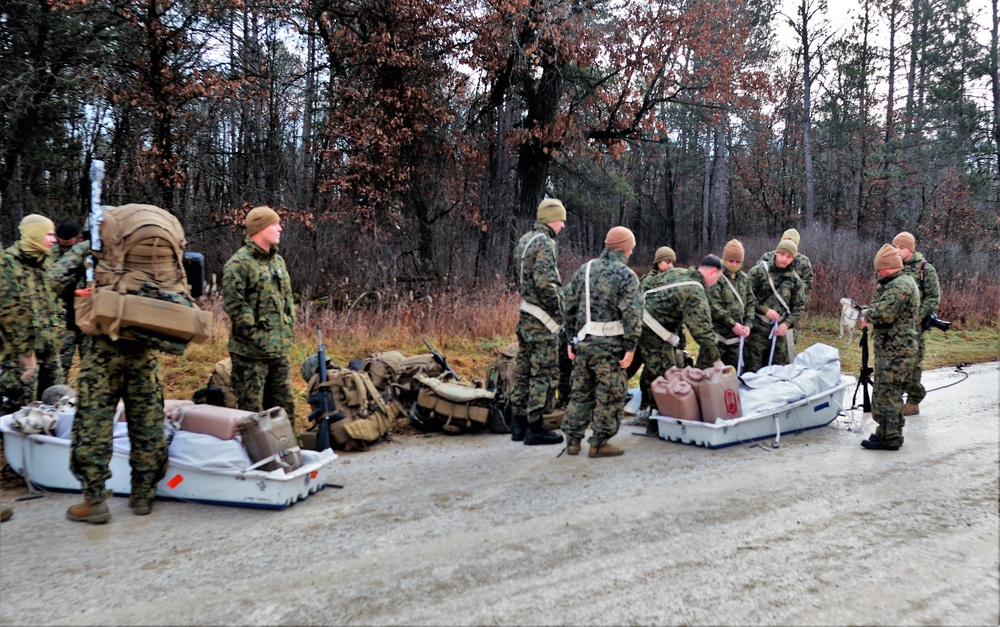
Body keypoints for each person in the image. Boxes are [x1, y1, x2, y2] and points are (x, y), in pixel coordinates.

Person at [66, 208, 176, 523]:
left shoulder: (96, 251)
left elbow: (55, 276)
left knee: (95, 423)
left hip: (102, 351)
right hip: (144, 349)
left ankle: (95, 500)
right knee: (147, 421)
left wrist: (84, 250)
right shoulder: (149, 258)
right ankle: (143, 496)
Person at [560, 226, 642, 458]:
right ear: (625, 248)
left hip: (584, 344)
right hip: (610, 349)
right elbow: (632, 314)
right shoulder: (626, 276)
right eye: (631, 247)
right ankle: (599, 442)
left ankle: (573, 441)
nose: (632, 252)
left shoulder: (584, 270)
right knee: (610, 394)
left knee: (581, 393)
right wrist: (631, 346)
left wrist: (570, 339)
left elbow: (568, 305)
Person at [222, 206, 296, 426]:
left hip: (279, 351)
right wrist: (255, 335)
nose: (280, 228)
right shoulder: (239, 264)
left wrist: (288, 329)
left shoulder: (277, 262)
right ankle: (254, 458)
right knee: (252, 416)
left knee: (285, 410)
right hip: (251, 356)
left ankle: (289, 454)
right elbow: (235, 306)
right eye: (275, 224)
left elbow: (287, 301)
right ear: (260, 228)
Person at [637, 255, 725, 431]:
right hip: (653, 333)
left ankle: (612, 409)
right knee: (663, 376)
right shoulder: (695, 290)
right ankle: (656, 424)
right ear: (713, 272)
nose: (715, 283)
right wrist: (717, 361)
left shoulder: (678, 273)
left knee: (629, 369)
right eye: (717, 278)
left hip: (635, 323)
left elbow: (647, 287)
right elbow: (702, 331)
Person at [509, 198, 567, 445]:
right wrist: (561, 310)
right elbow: (546, 284)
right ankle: (536, 428)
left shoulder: (525, 239)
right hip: (542, 320)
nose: (563, 225)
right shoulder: (545, 242)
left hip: (526, 316)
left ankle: (519, 425)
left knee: (523, 372)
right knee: (543, 373)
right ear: (550, 218)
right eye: (561, 219)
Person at [0, 215, 64, 416]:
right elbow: (9, 310)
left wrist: (59, 329)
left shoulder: (48, 261)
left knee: (57, 401)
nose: (54, 239)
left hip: (50, 348)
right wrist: (24, 351)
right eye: (49, 234)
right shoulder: (8, 263)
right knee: (19, 408)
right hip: (19, 352)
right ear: (35, 234)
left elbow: (57, 299)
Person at [858, 244, 920, 450]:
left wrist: (868, 314)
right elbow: (883, 308)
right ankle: (886, 432)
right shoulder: (898, 282)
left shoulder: (900, 286)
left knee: (889, 393)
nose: (877, 273)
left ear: (888, 266)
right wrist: (869, 311)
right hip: (893, 348)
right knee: (887, 392)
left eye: (879, 269)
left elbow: (885, 313)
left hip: (896, 350)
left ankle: (890, 437)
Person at [893, 231, 940, 416]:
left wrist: (918, 317)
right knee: (895, 364)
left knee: (913, 364)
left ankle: (914, 399)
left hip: (914, 328)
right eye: (895, 247)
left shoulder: (924, 269)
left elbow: (933, 298)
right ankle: (893, 400)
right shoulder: (894, 267)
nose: (897, 251)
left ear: (911, 249)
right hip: (895, 326)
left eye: (901, 248)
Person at [744, 239, 806, 372]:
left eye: (789, 256)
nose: (784, 259)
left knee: (778, 373)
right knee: (752, 372)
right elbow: (747, 297)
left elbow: (799, 306)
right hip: (756, 331)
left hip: (780, 335)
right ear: (776, 252)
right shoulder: (758, 272)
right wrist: (765, 310)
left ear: (793, 258)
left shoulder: (794, 279)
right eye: (782, 254)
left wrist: (786, 324)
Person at [625, 246, 678, 385]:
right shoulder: (649, 281)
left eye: (672, 262)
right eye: (667, 262)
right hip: (646, 331)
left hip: (660, 333)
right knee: (644, 367)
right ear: (658, 262)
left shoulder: (670, 281)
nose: (670, 266)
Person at [708, 239, 756, 370]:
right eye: (730, 261)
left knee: (734, 381)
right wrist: (732, 324)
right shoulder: (715, 277)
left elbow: (751, 303)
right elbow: (714, 306)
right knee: (707, 379)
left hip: (737, 343)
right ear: (724, 259)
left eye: (738, 262)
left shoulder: (745, 279)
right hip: (717, 340)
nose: (734, 265)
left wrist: (748, 325)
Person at [52, 221, 86, 373]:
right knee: (60, 365)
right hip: (64, 319)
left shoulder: (90, 254)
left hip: (88, 318)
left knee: (90, 367)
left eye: (69, 246)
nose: (65, 250)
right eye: (62, 245)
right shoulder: (50, 256)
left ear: (79, 239)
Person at [758, 228, 814, 296]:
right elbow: (757, 279)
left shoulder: (803, 261)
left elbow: (807, 285)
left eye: (793, 243)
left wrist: (791, 289)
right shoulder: (767, 257)